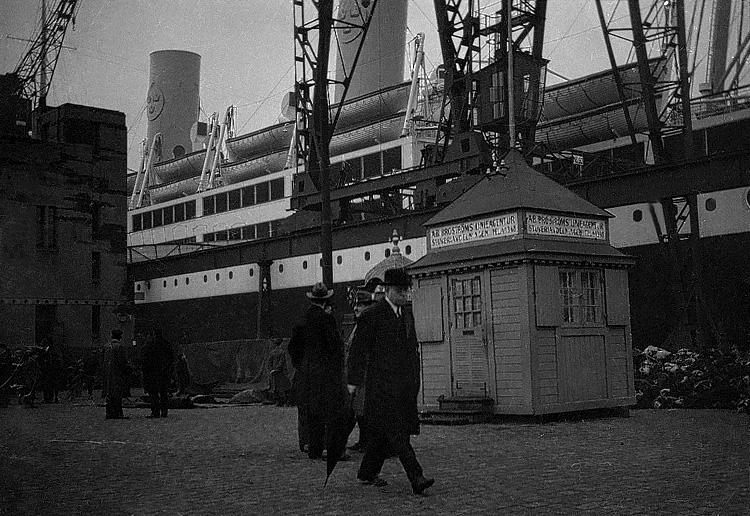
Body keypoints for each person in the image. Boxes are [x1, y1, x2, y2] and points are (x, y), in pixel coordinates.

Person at [347, 268, 435, 495]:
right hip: (382, 387)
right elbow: (358, 351)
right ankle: (416, 477)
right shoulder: (373, 315)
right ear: (387, 291)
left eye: (406, 290)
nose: (404, 294)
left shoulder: (406, 314)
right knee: (398, 432)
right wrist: (353, 381)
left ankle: (367, 472)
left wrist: (414, 380)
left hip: (403, 386)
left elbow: (411, 349)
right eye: (399, 290)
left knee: (381, 435)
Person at [289, 282, 347, 460]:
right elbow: (334, 347)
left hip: (307, 373)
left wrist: (301, 364)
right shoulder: (326, 319)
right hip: (325, 373)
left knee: (312, 412)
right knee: (331, 411)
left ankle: (314, 449)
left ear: (312, 299)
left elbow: (293, 347)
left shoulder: (302, 319)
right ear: (326, 300)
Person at [345, 282, 379, 452]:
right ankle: (364, 440)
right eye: (356, 305)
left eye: (360, 305)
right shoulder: (359, 325)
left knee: (367, 409)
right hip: (359, 375)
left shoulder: (371, 324)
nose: (356, 308)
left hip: (368, 374)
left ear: (368, 306)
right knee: (359, 409)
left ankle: (371, 442)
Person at [141, 328, 174, 418]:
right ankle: (164, 411)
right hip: (164, 373)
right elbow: (171, 358)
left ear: (154, 334)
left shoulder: (150, 345)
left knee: (154, 393)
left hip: (153, 373)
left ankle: (155, 411)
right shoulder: (166, 344)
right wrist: (167, 368)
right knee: (164, 393)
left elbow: (145, 359)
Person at [101, 329, 131, 420]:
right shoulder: (119, 347)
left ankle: (109, 413)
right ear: (119, 337)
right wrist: (128, 369)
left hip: (107, 374)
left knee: (109, 394)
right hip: (117, 374)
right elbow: (122, 361)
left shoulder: (107, 346)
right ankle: (118, 413)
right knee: (117, 394)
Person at [268, 337, 291, 406]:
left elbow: (269, 363)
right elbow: (281, 362)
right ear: (281, 344)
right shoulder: (282, 352)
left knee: (276, 387)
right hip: (281, 372)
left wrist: (272, 369)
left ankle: (278, 402)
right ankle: (286, 402)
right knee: (285, 387)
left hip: (274, 373)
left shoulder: (272, 352)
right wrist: (277, 369)